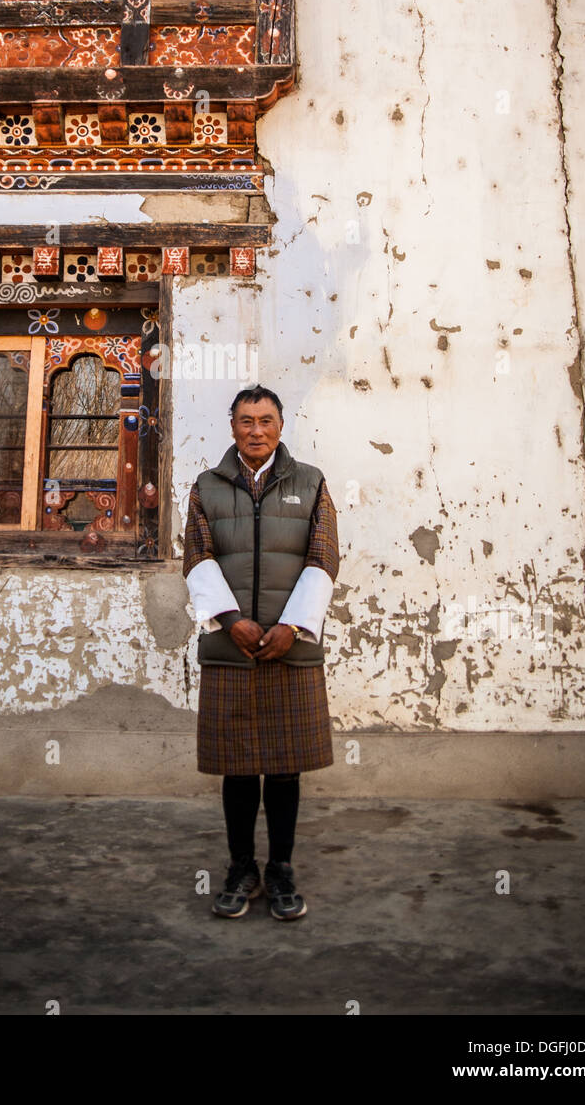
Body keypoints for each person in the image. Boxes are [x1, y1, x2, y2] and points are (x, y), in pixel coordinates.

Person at [182, 384, 339, 920]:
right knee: (239, 768)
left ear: (280, 426)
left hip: (289, 648)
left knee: (287, 768)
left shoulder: (311, 484)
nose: (256, 430)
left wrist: (292, 628)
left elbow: (323, 560)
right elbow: (197, 559)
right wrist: (232, 622)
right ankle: (241, 866)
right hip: (232, 648)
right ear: (232, 427)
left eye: (265, 421)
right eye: (246, 421)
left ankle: (282, 868)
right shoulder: (207, 487)